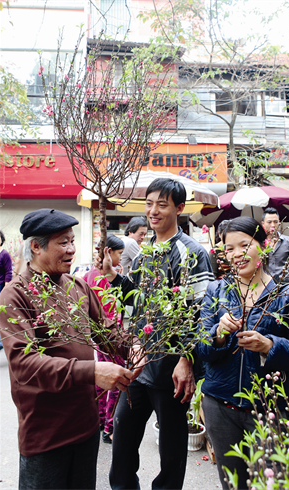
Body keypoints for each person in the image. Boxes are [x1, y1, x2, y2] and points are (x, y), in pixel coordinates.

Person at [0, 209, 137, 490]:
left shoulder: (77, 286)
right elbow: (26, 364)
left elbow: (107, 333)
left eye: (73, 241)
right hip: (46, 433)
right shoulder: (15, 295)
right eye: (63, 242)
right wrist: (92, 371)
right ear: (36, 246)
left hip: (85, 427)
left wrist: (134, 347)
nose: (72, 249)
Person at [100, 178, 214, 490]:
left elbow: (202, 313)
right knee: (122, 444)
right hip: (139, 367)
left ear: (179, 208)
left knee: (171, 452)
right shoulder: (145, 251)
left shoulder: (192, 253)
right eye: (149, 203)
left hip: (171, 371)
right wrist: (114, 279)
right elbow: (135, 302)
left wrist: (186, 360)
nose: (153, 211)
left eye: (161, 204)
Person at [196, 216, 289, 490]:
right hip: (220, 405)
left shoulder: (288, 294)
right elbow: (201, 347)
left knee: (269, 482)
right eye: (229, 248)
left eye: (245, 245)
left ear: (263, 246)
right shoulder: (217, 290)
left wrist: (270, 346)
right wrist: (217, 333)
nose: (237, 254)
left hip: (268, 409)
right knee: (232, 484)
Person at [83, 234, 125, 444]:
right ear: (108, 253)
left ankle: (100, 420)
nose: (120, 258)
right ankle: (110, 427)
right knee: (117, 380)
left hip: (97, 336)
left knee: (101, 378)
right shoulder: (107, 278)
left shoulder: (87, 275)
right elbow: (113, 311)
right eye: (119, 254)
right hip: (111, 337)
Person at [261, 207, 289, 279]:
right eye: (269, 222)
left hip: (285, 283)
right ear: (263, 223)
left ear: (279, 222)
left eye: (275, 222)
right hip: (266, 283)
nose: (273, 225)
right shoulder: (259, 243)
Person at [0, 229, 13, 351]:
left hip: (0, 286)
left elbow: (9, 272)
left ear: (1, 239)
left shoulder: (4, 254)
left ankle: (1, 342)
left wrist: (6, 289)